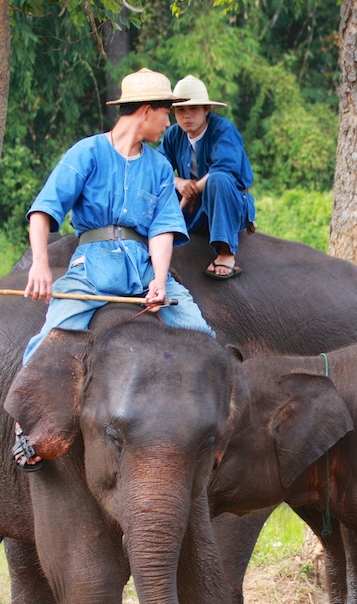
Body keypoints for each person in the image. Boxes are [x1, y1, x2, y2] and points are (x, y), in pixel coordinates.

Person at [14, 67, 216, 471]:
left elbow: (162, 229)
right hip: (92, 267)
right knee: (49, 338)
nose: (168, 122)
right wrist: (40, 264)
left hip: (142, 268)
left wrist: (159, 281)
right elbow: (43, 210)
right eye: (165, 113)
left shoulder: (159, 167)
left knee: (201, 332)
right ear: (145, 111)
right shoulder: (87, 153)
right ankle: (26, 428)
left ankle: (214, 432)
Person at [158, 75, 256, 279]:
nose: (187, 116)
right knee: (159, 185)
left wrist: (192, 190)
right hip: (194, 207)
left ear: (206, 110)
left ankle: (226, 253)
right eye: (181, 110)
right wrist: (179, 182)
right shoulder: (174, 135)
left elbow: (224, 168)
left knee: (218, 179)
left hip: (226, 202)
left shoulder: (223, 129)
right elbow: (159, 168)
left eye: (193, 109)